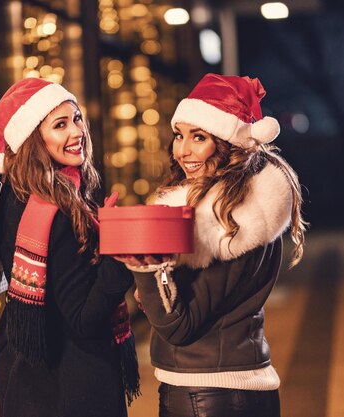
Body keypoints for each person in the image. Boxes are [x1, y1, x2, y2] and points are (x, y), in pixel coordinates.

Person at [117, 73, 307, 417]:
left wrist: (145, 266)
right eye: (179, 135)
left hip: (205, 393)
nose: (183, 150)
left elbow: (179, 326)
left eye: (199, 137)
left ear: (227, 143)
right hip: (239, 386)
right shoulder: (248, 206)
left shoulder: (223, 222)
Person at [0, 78, 139, 417]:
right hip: (69, 390)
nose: (77, 131)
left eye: (77, 118)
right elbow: (84, 320)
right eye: (60, 125)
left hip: (21, 380)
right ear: (32, 141)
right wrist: (122, 257)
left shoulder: (13, 198)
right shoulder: (56, 215)